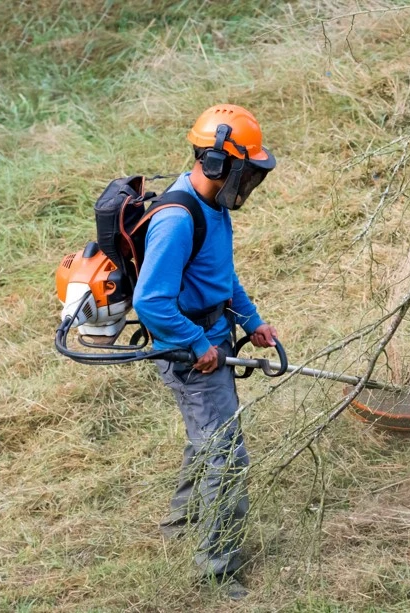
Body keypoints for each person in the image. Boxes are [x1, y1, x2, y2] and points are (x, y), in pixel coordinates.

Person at [132, 104, 279, 598]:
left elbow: (219, 274)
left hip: (211, 337)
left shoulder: (212, 205)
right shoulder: (177, 219)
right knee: (227, 455)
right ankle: (218, 568)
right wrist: (196, 343)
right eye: (246, 172)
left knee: (206, 437)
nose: (249, 185)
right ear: (218, 164)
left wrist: (251, 319)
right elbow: (150, 300)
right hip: (188, 350)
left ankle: (182, 520)